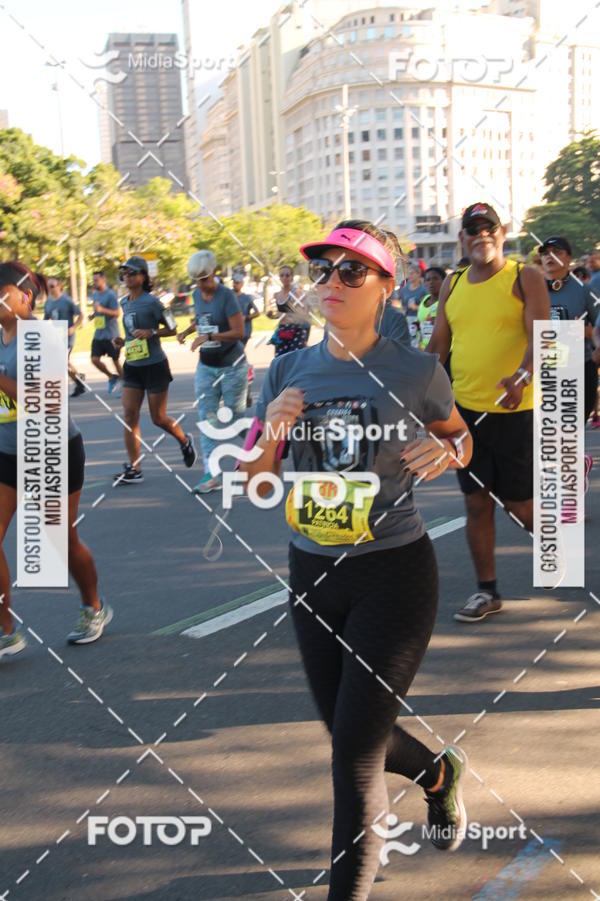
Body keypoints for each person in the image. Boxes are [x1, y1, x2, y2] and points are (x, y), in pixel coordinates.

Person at [240, 219, 474, 899]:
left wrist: (450, 452)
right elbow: (256, 481)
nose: (332, 283)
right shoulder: (286, 368)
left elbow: (459, 436)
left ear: (384, 286)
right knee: (350, 733)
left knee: (353, 759)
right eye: (323, 270)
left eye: (351, 271)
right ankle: (437, 771)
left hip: (393, 575)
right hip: (312, 574)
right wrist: (272, 434)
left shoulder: (415, 369)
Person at [428, 202, 550, 623]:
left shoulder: (524, 277)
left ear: (502, 232)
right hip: (464, 415)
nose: (481, 234)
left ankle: (559, 545)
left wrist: (521, 376)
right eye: (472, 229)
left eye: (489, 227)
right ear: (462, 237)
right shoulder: (453, 284)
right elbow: (438, 347)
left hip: (515, 411)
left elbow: (542, 340)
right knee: (476, 502)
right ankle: (487, 592)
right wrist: (415, 387)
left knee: (520, 507)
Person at [0, 261, 113, 658]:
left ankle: (94, 606)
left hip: (52, 450)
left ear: (24, 296)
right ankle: (6, 631)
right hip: (7, 453)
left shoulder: (42, 338)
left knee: (60, 541)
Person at [113, 256, 196, 485]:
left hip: (155, 366)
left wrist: (152, 332)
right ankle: (135, 468)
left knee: (158, 418)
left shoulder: (154, 303)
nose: (127, 277)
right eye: (124, 273)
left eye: (131, 273)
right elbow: (131, 334)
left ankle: (184, 440)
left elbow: (172, 328)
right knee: (130, 415)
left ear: (142, 276)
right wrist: (122, 342)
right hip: (133, 365)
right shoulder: (123, 302)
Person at [177, 250, 247, 494]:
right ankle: (211, 475)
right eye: (197, 281)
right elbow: (201, 318)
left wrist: (209, 336)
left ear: (214, 274)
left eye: (205, 280)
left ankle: (261, 448)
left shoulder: (226, 296)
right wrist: (187, 332)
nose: (201, 286)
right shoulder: (197, 294)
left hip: (232, 365)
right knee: (207, 419)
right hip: (206, 366)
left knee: (235, 417)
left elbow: (239, 331)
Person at [539, 236, 599, 441]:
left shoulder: (584, 291)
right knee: (550, 437)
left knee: (570, 436)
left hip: (580, 368)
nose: (550, 257)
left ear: (569, 258)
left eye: (557, 252)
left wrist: (584, 332)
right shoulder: (531, 291)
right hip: (545, 370)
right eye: (545, 253)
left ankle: (577, 465)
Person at [44, 276, 85, 397]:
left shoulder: (67, 301)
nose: (50, 289)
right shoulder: (48, 302)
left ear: (59, 286)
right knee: (63, 362)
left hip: (68, 336)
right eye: (48, 287)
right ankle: (79, 380)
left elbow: (81, 315)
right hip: (57, 336)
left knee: (63, 360)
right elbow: (46, 318)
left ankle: (77, 382)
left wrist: (74, 327)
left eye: (52, 286)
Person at [90, 270, 122, 394]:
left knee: (115, 361)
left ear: (104, 280)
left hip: (111, 334)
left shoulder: (110, 295)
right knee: (94, 359)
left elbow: (117, 313)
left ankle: (125, 383)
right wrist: (94, 315)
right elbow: (98, 311)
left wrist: (101, 309)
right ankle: (111, 377)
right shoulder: (95, 295)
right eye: (93, 280)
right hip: (99, 334)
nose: (94, 282)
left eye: (96, 280)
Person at [270, 265, 311, 356]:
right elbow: (277, 314)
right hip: (282, 331)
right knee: (280, 360)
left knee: (294, 360)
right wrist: (271, 315)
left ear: (292, 277)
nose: (284, 278)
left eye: (287, 275)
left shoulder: (297, 293)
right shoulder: (276, 295)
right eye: (282, 275)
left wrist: (282, 315)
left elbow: (303, 315)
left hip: (296, 331)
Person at [233, 270, 260, 407]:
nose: (235, 284)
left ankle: (245, 389)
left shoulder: (246, 298)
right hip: (232, 331)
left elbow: (257, 313)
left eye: (237, 282)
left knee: (237, 359)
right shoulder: (230, 296)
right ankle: (244, 390)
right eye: (234, 282)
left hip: (243, 332)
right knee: (237, 359)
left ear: (242, 284)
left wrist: (246, 317)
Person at [418, 267, 446, 350]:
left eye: (435, 279)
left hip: (443, 350)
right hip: (424, 348)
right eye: (428, 280)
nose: (431, 282)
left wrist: (440, 322)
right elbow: (421, 322)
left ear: (444, 281)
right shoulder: (424, 299)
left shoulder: (448, 300)